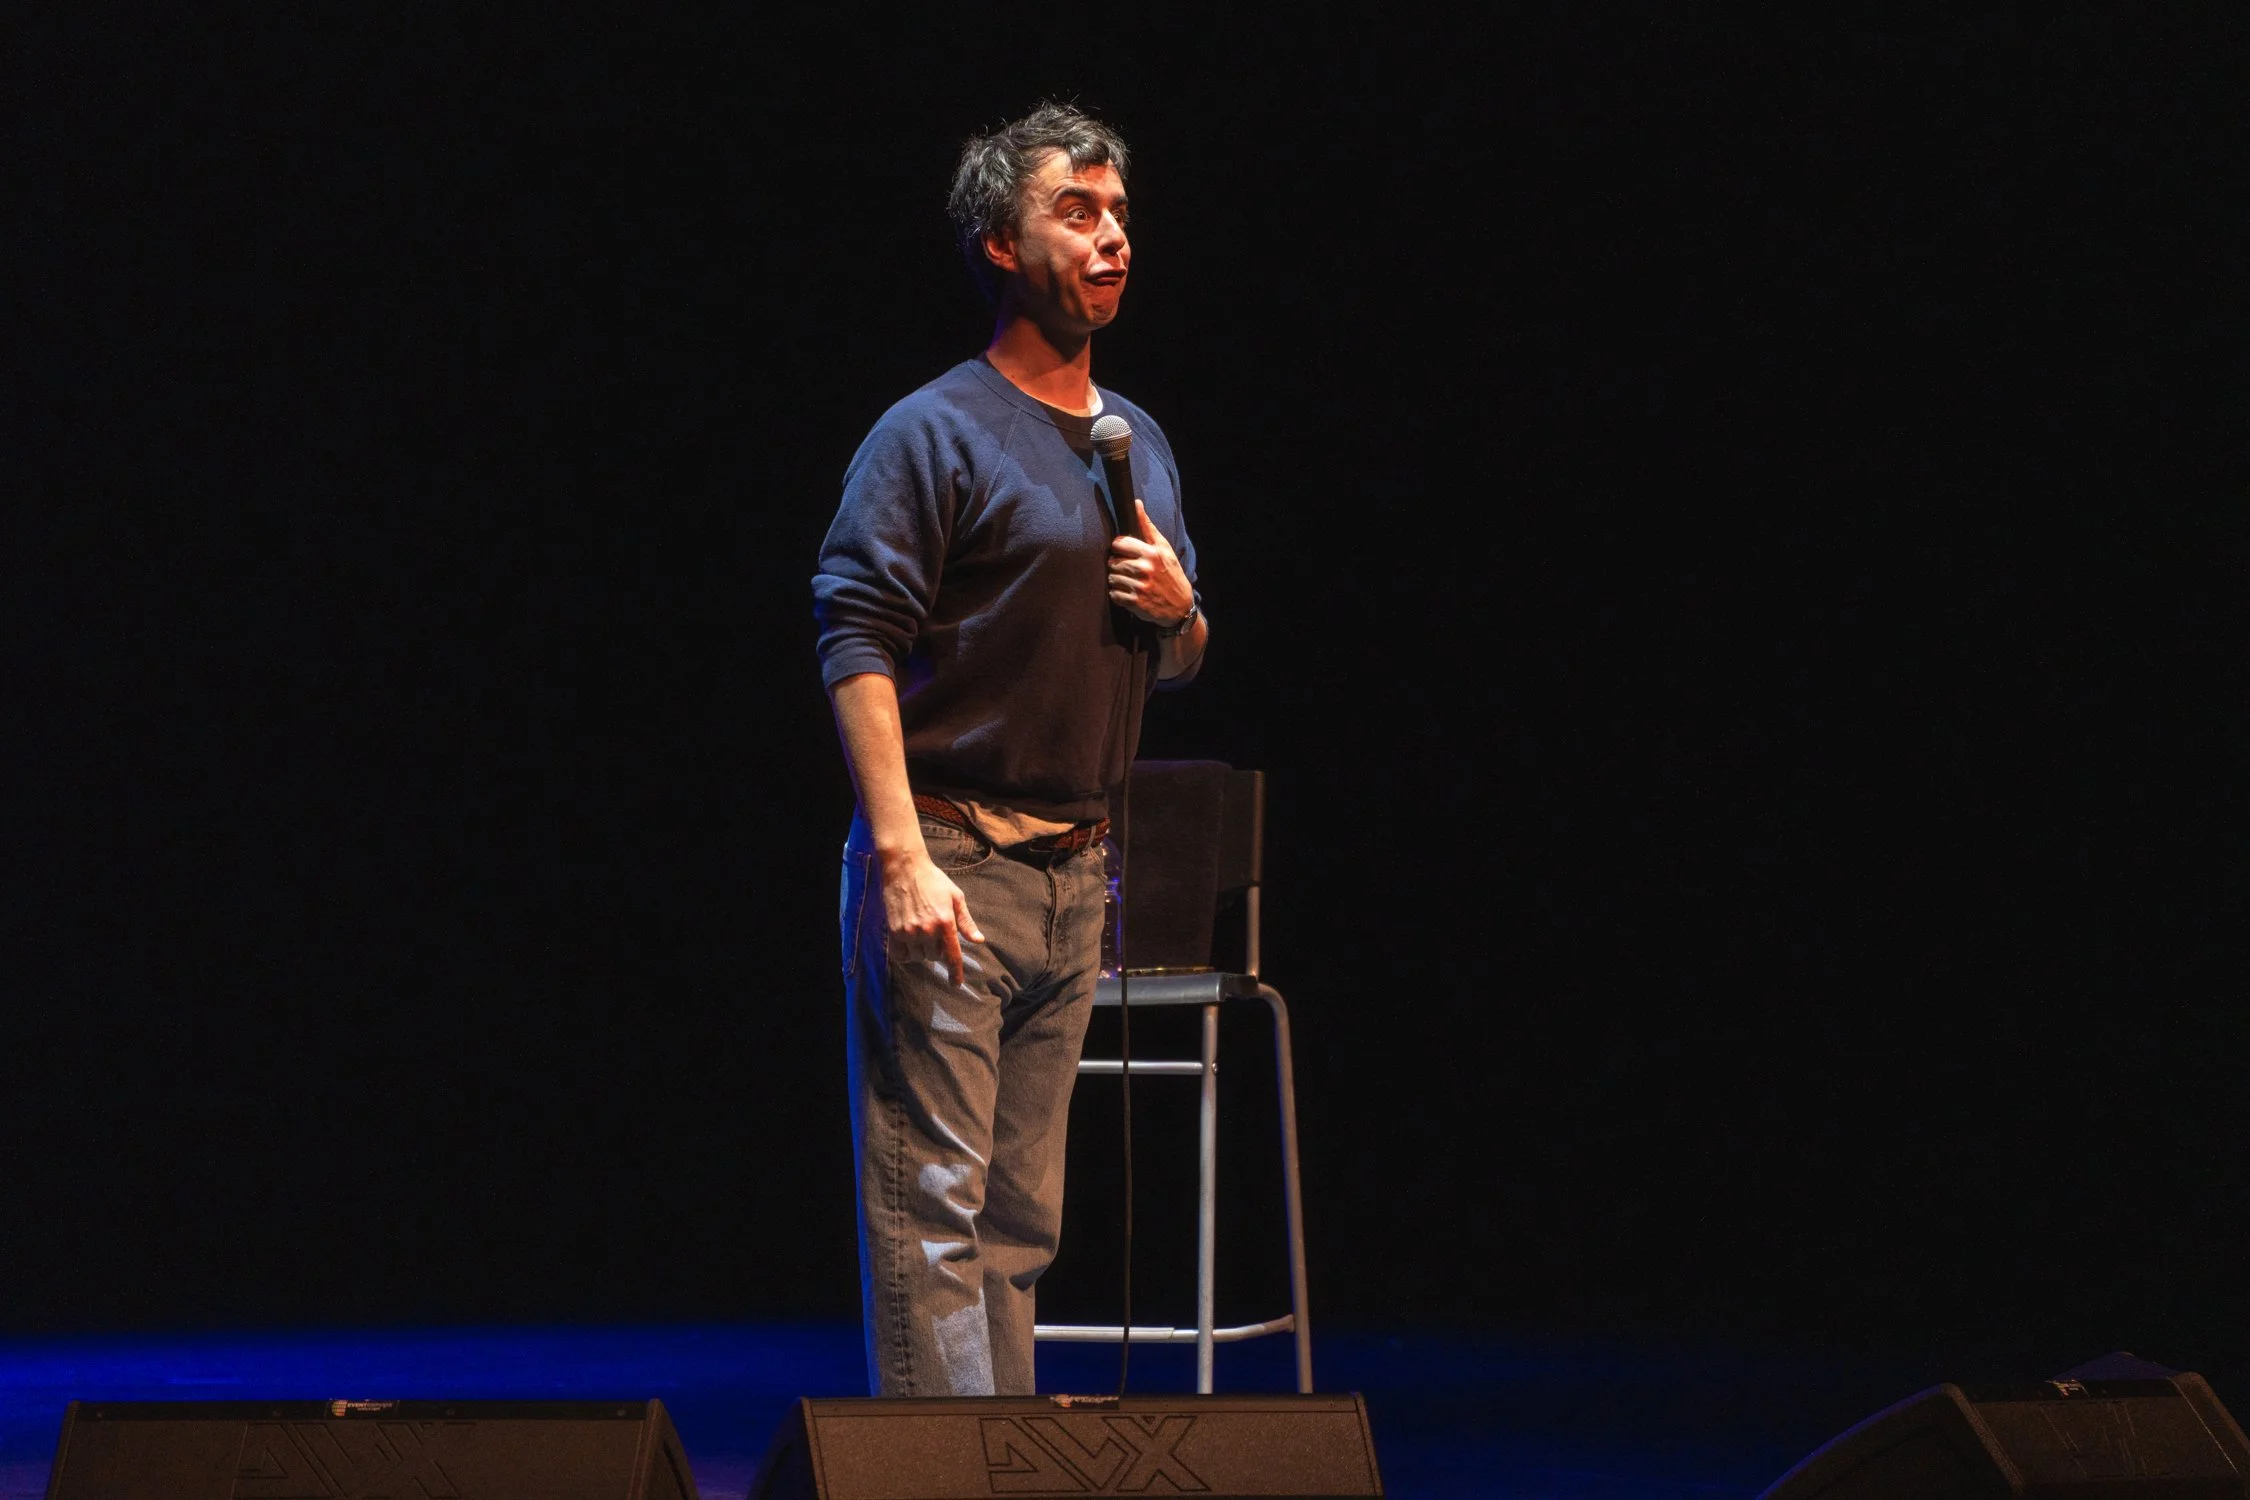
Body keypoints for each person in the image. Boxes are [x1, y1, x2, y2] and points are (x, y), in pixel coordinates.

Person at [812, 102, 1209, 1398]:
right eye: (1075, 212)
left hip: (1072, 877)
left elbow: (1181, 654)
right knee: (932, 1210)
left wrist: (1180, 612)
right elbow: (855, 638)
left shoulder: (1133, 441)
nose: (1112, 239)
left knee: (1018, 1226)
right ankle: (942, 1477)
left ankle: (997, 1463)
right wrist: (898, 855)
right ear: (999, 242)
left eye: (1119, 214)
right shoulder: (931, 431)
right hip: (951, 862)